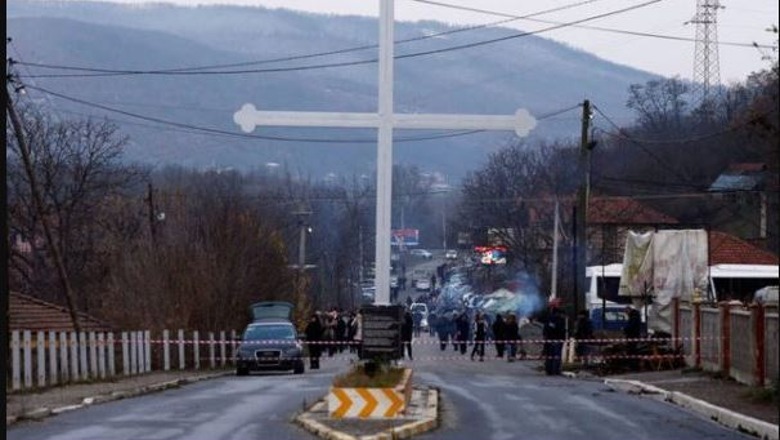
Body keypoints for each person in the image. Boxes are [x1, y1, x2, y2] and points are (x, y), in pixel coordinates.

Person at [541, 299, 567, 375]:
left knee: (550, 355)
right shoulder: (559, 317)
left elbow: (547, 327)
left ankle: (550, 370)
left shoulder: (550, 317)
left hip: (551, 338)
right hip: (556, 338)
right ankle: (554, 370)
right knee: (555, 355)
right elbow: (560, 329)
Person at [624, 306, 642, 370]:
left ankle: (633, 366)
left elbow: (631, 326)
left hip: (632, 336)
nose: (626, 314)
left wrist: (625, 329)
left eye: (626, 312)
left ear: (629, 310)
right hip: (634, 336)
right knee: (633, 351)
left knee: (631, 351)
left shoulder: (633, 317)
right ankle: (634, 365)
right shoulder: (635, 315)